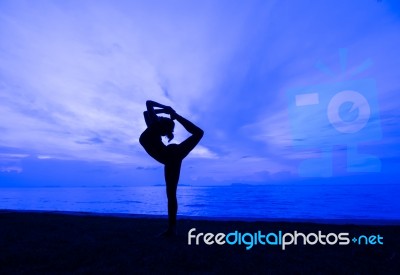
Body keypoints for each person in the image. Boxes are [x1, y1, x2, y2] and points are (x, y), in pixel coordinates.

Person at [139, 100, 204, 236]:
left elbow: (148, 103)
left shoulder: (155, 126)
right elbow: (146, 112)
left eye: (162, 119)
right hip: (170, 157)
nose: (160, 117)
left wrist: (168, 110)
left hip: (173, 156)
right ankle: (172, 229)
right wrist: (166, 112)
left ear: (162, 125)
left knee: (198, 133)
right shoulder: (154, 128)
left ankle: (172, 230)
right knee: (170, 194)